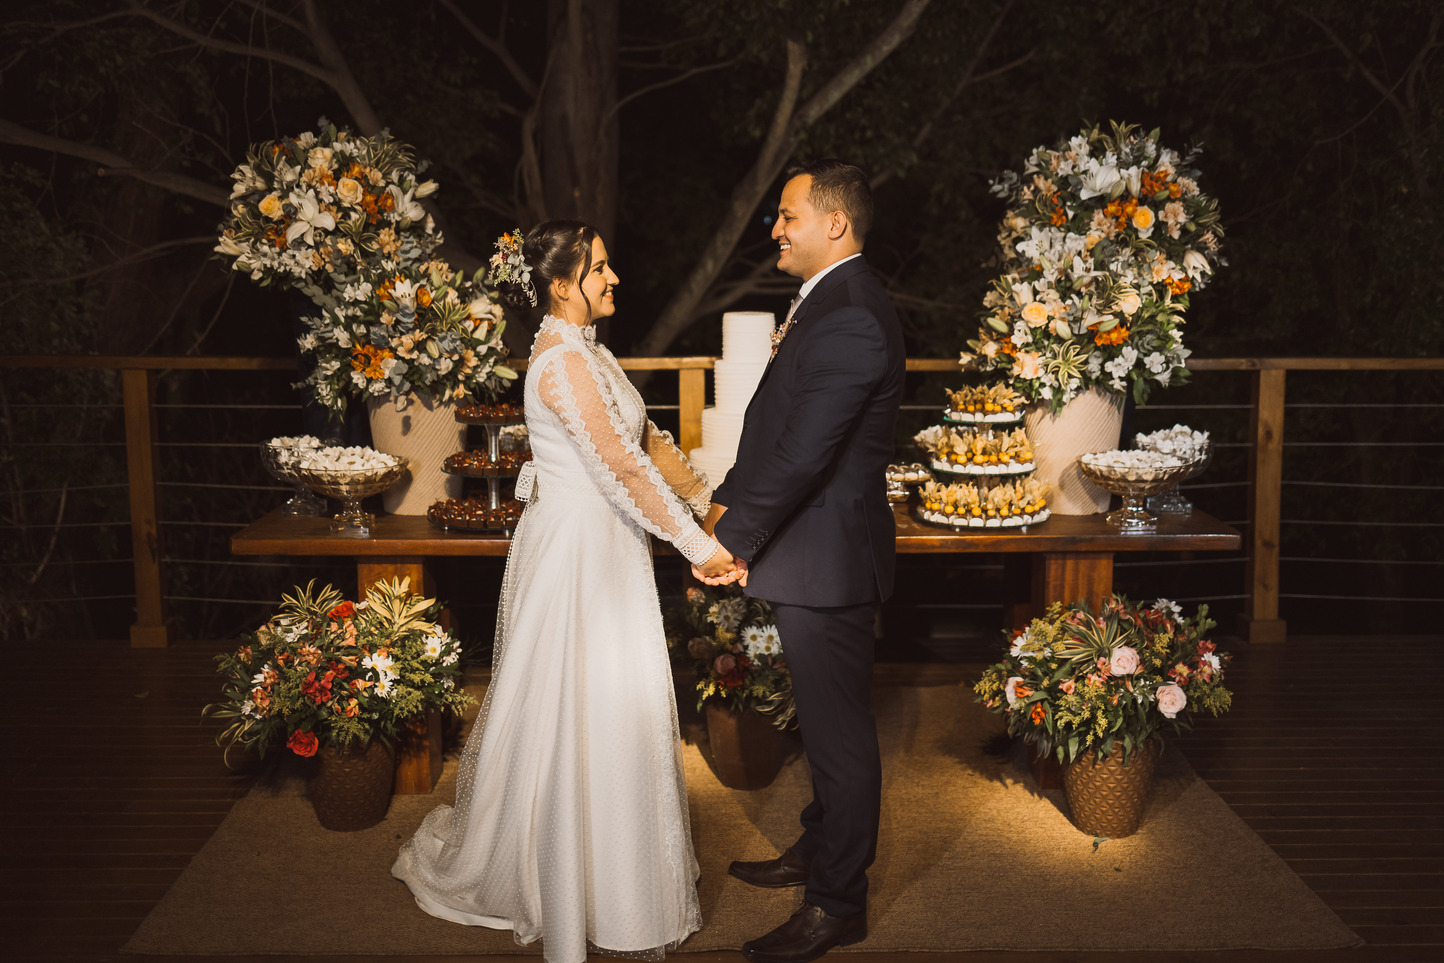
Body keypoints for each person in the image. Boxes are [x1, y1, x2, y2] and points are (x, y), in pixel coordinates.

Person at [392, 221, 737, 963]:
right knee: (579, 709)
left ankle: (618, 878)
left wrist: (711, 506)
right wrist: (700, 548)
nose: (614, 278)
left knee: (614, 706)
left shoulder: (592, 353)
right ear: (559, 284)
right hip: (579, 556)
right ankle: (571, 879)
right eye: (599, 268)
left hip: (609, 545)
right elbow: (620, 466)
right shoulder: (561, 363)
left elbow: (649, 446)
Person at [698, 160, 905, 963]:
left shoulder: (851, 314)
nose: (775, 229)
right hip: (811, 550)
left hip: (829, 559)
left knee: (840, 737)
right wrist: (725, 502)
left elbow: (805, 453)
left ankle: (837, 903)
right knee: (824, 730)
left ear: (835, 223)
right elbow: (775, 430)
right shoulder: (829, 301)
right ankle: (819, 850)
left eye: (788, 216)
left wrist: (732, 538)